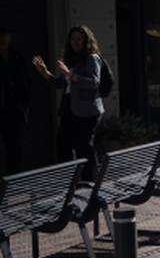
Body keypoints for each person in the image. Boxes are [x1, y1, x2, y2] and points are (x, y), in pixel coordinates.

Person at [32, 25, 104, 181]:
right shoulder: (71, 59)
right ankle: (72, 180)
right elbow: (61, 84)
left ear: (86, 40)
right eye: (72, 39)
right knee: (63, 144)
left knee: (83, 145)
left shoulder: (91, 58)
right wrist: (45, 73)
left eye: (79, 39)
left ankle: (92, 181)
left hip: (88, 110)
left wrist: (70, 75)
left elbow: (93, 82)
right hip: (69, 108)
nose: (75, 42)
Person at [0, 23, 32, 175]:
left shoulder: (18, 59)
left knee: (15, 150)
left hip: (14, 112)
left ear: (9, 38)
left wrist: (24, 107)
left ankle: (13, 185)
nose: (1, 40)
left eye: (3, 36)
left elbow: (27, 84)